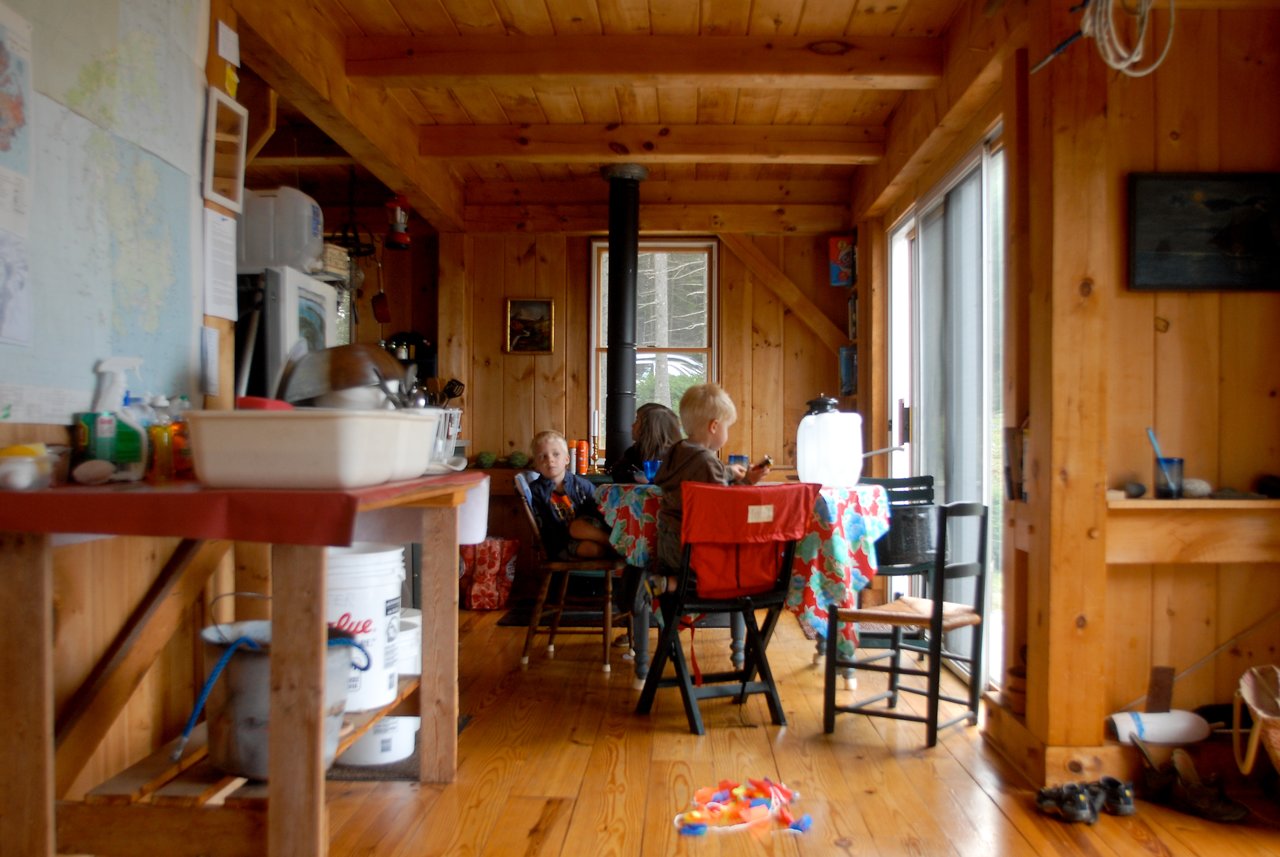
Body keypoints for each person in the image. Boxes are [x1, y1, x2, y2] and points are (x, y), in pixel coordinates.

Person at [653, 383, 772, 587]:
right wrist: (747, 482)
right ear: (714, 426)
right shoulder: (707, 462)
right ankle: (670, 584)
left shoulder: (677, 452)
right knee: (721, 568)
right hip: (689, 550)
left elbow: (692, 473)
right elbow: (725, 507)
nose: (727, 434)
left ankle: (668, 585)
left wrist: (728, 471)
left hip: (666, 541)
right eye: (727, 427)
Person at [526, 430, 615, 560]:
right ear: (536, 465)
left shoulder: (581, 485)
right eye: (543, 456)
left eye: (556, 454)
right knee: (592, 549)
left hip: (590, 530)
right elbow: (543, 524)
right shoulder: (536, 490)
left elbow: (600, 508)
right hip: (564, 542)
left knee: (577, 526)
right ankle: (612, 548)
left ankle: (611, 542)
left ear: (567, 459)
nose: (550, 459)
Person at [608, 402, 683, 484]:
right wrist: (634, 476)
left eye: (637, 420)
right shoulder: (634, 452)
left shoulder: (676, 454)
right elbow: (617, 472)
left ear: (649, 428)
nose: (632, 425)